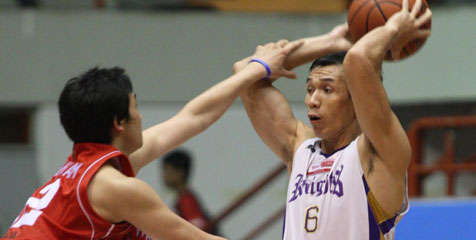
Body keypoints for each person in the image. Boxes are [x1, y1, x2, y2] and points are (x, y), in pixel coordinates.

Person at [2, 39, 304, 239]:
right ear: (119, 123)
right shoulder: (116, 188)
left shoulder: (90, 170)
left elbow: (193, 117)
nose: (141, 117)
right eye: (136, 107)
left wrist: (253, 71)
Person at [237, 0, 432, 239]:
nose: (312, 100)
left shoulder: (378, 152)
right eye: (310, 89)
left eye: (327, 90)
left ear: (355, 98)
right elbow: (247, 72)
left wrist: (391, 30)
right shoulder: (301, 148)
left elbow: (358, 61)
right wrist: (329, 42)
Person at [162, 149, 220, 234]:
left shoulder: (186, 200)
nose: (164, 175)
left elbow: (198, 231)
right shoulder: (184, 198)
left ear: (179, 172)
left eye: (167, 170)